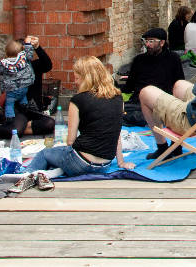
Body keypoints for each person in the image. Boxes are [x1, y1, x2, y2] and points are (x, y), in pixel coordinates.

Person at [12, 56, 132, 192]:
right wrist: (121, 162)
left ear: (86, 78)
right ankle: (46, 174)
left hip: (81, 162)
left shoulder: (78, 100)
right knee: (59, 157)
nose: (75, 82)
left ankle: (26, 176)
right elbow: (116, 134)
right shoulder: (118, 97)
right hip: (105, 165)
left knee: (45, 154)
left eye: (77, 78)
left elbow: (70, 140)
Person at [0, 38, 55, 140]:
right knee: (16, 130)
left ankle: (17, 127)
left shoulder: (33, 66)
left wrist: (37, 47)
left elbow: (47, 65)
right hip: (15, 111)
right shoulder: (7, 69)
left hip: (32, 110)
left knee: (50, 123)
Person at [0, 37, 36, 121]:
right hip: (19, 103)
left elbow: (47, 64)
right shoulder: (21, 63)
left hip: (24, 106)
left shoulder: (5, 67)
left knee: (10, 105)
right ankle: (22, 108)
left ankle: (8, 119)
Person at [124, 28, 185, 105]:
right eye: (146, 41)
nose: (147, 44)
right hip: (140, 100)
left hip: (164, 101)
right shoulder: (139, 60)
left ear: (162, 42)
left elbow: (179, 82)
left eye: (151, 41)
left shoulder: (173, 58)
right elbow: (130, 85)